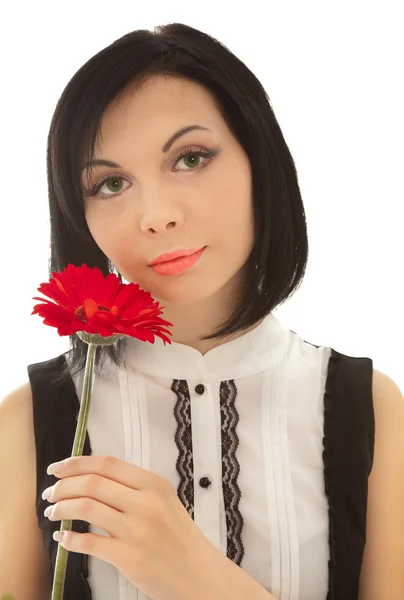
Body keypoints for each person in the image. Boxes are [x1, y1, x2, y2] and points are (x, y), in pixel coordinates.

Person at [1, 22, 403, 600]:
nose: (156, 215)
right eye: (111, 183)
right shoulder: (28, 421)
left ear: (259, 162)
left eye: (190, 159)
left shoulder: (372, 410)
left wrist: (201, 579)